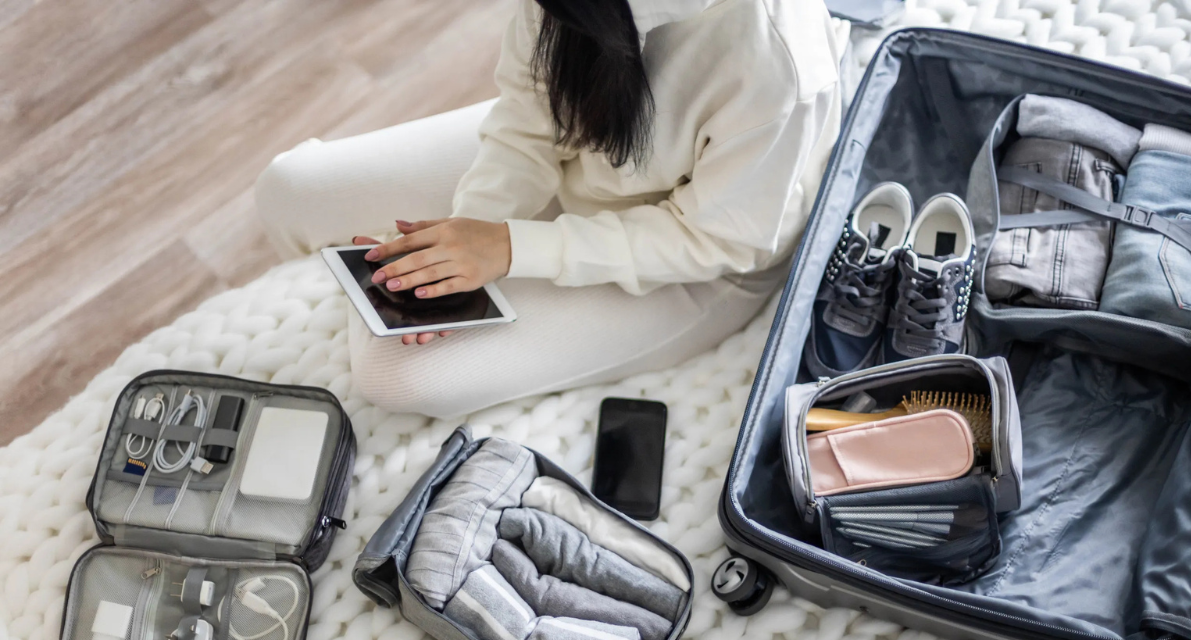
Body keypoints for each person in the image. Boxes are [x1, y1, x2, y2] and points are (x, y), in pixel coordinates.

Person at [255, 0, 841, 418]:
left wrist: (512, 248)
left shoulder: (777, 60)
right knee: (290, 189)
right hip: (586, 153)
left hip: (698, 257)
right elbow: (529, 112)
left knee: (391, 373)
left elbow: (718, 240)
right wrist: (471, 228)